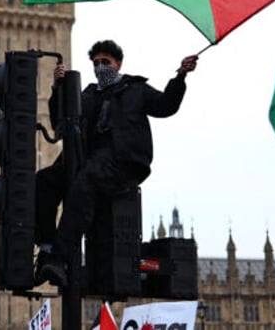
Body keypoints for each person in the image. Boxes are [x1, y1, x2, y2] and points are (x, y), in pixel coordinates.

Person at [34, 39, 198, 287]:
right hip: (86, 157)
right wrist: (57, 88)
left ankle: (59, 256)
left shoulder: (136, 90)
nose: (101, 67)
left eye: (106, 62)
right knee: (44, 181)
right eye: (96, 63)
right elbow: (60, 123)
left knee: (86, 181)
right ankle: (46, 248)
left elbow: (166, 105)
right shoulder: (87, 94)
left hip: (123, 161)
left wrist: (181, 76)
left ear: (118, 63)